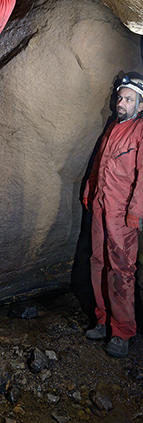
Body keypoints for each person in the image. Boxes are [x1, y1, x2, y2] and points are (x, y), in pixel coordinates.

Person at [83, 75, 143, 357]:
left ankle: (122, 332)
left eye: (129, 99)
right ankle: (103, 319)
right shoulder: (113, 128)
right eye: (120, 97)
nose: (122, 103)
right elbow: (100, 162)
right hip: (101, 205)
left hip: (122, 214)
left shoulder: (140, 130)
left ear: (140, 105)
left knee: (121, 271)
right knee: (98, 262)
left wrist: (135, 213)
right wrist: (89, 191)